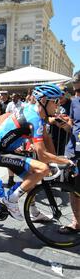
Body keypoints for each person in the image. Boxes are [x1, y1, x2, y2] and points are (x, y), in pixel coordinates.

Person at [0, 84, 74, 221]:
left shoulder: (36, 114)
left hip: (8, 150)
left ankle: (33, 213)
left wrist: (54, 159)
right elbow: (42, 155)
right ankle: (11, 200)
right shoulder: (34, 119)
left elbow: (46, 138)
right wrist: (64, 161)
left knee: (32, 179)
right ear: (44, 101)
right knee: (43, 168)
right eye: (55, 102)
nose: (57, 106)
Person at [60, 71, 80, 233]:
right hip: (73, 152)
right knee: (72, 189)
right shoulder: (74, 102)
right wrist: (62, 124)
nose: (76, 93)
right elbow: (72, 127)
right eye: (75, 90)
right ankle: (76, 222)